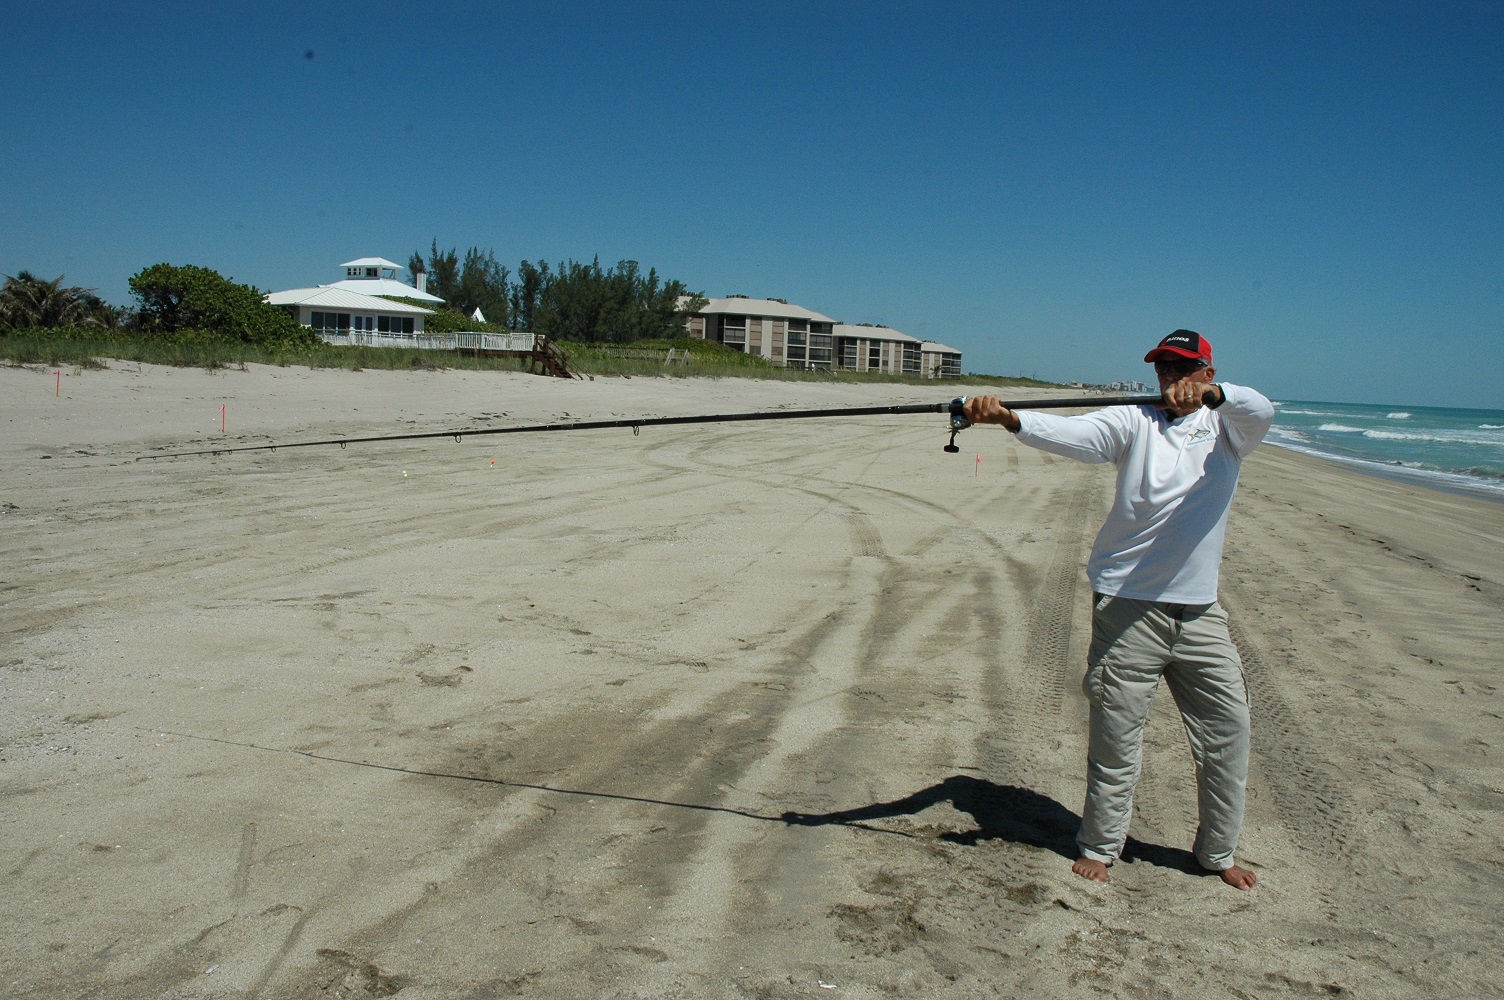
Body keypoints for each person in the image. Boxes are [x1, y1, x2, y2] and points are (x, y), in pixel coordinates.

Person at [963, 330, 1275, 889]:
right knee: (1116, 737)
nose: (1169, 378)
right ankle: (1101, 846)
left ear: (1207, 371)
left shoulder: (1229, 428)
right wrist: (1011, 420)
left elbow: (1261, 409)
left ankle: (1217, 853)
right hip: (1127, 607)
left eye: (1182, 368)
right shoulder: (1135, 420)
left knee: (1229, 732)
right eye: (1162, 368)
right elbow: (1075, 434)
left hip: (1201, 614)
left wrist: (1217, 396)